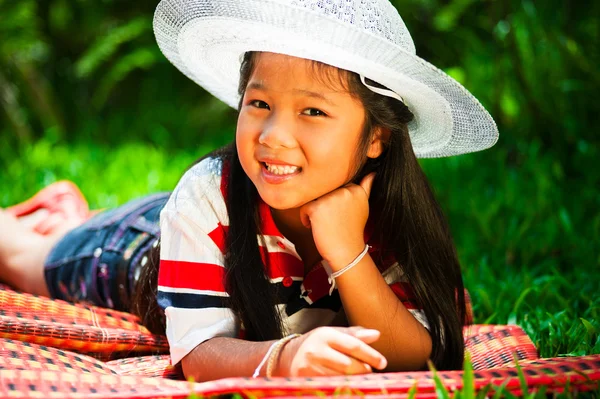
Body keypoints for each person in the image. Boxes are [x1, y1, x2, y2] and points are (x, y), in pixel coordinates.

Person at [0, 0, 498, 383]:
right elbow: (196, 353)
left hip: (188, 230)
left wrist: (347, 251)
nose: (273, 135)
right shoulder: (206, 198)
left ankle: (65, 213)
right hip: (138, 252)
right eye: (259, 102)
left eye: (313, 111)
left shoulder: (388, 209)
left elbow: (418, 355)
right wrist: (285, 357)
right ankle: (58, 226)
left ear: (375, 137)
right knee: (23, 257)